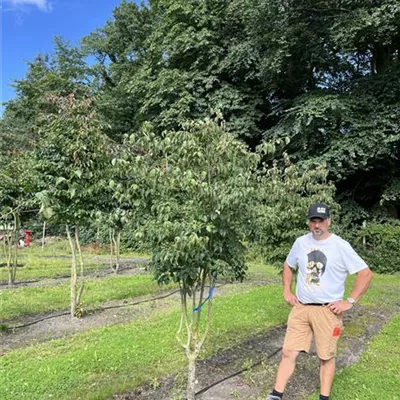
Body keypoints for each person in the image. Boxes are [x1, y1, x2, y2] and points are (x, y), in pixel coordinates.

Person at [266, 203, 373, 400]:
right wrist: (286, 290)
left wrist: (349, 301)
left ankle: (324, 397)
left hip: (327, 311)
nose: (317, 225)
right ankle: (275, 395)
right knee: (288, 352)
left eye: (321, 221)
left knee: (326, 356)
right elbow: (288, 265)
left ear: (329, 222)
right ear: (308, 222)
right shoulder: (300, 243)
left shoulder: (340, 246)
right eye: (313, 221)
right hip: (301, 308)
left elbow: (365, 274)